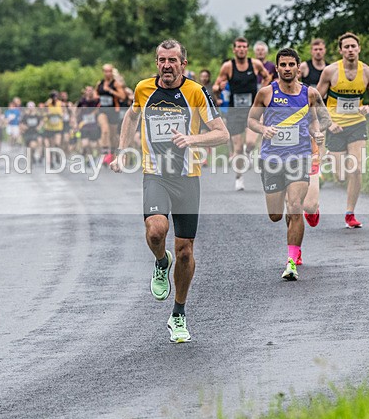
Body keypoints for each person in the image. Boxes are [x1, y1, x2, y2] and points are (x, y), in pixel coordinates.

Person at [110, 39, 229, 343]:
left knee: (185, 251)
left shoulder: (196, 92)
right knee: (155, 231)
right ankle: (161, 262)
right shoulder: (143, 89)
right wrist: (122, 151)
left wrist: (193, 140)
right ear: (157, 63)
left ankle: (178, 313)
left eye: (172, 60)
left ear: (183, 64)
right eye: (161, 60)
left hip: (187, 177)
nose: (166, 65)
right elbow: (131, 116)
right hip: (156, 174)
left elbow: (222, 134)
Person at [248, 48, 340, 279]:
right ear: (277, 67)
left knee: (295, 205)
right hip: (271, 159)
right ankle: (293, 238)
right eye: (283, 65)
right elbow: (251, 120)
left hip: (299, 157)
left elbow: (321, 119)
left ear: (299, 67)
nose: (287, 69)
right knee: (276, 215)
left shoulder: (310, 94)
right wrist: (263, 129)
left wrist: (317, 132)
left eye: (291, 64)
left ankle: (291, 262)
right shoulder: (266, 93)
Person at [316, 32, 369, 228]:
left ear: (359, 48)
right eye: (346, 47)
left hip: (357, 124)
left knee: (356, 168)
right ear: (340, 50)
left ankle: (350, 214)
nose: (350, 50)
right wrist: (328, 123)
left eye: (353, 46)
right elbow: (316, 101)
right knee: (340, 176)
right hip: (335, 125)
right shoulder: (330, 72)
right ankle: (330, 157)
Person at [213, 37, 268, 191]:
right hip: (235, 111)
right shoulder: (228, 66)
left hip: (252, 109)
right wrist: (218, 89)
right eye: (239, 47)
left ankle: (248, 152)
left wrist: (262, 91)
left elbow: (266, 76)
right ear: (234, 49)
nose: (242, 49)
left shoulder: (255, 64)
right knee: (237, 148)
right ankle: (239, 178)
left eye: (244, 47)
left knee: (251, 142)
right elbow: (216, 86)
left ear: (247, 49)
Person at [298, 38, 328, 227]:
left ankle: (318, 171)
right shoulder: (304, 67)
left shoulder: (328, 69)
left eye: (320, 49)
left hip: (319, 112)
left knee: (318, 142)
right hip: (303, 113)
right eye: (315, 49)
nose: (318, 51)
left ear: (324, 50)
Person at [96, 64, 125, 165]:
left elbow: (123, 96)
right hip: (102, 111)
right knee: (105, 131)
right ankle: (105, 153)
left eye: (109, 71)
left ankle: (112, 154)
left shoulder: (115, 84)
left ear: (112, 72)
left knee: (113, 136)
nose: (107, 73)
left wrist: (111, 91)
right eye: (106, 71)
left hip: (113, 111)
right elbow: (96, 94)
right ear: (103, 72)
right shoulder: (100, 83)